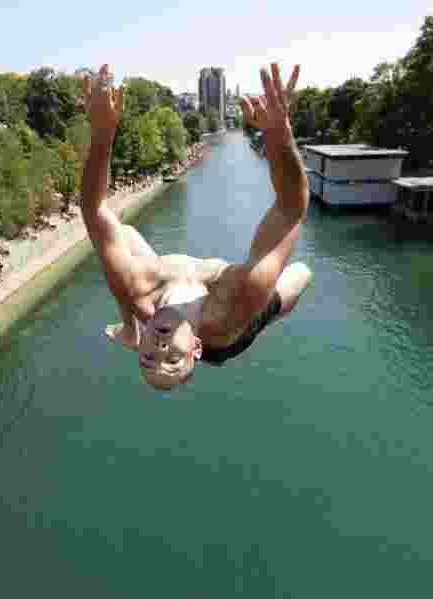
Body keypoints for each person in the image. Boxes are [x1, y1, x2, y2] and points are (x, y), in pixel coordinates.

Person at [81, 63, 312, 390]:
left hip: (154, 294)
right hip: (230, 337)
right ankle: (134, 331)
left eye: (148, 358)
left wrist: (103, 133)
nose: (160, 352)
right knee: (300, 274)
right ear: (195, 349)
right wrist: (278, 134)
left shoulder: (138, 288)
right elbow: (290, 209)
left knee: (124, 242)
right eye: (172, 360)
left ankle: (129, 330)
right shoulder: (237, 301)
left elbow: (94, 209)